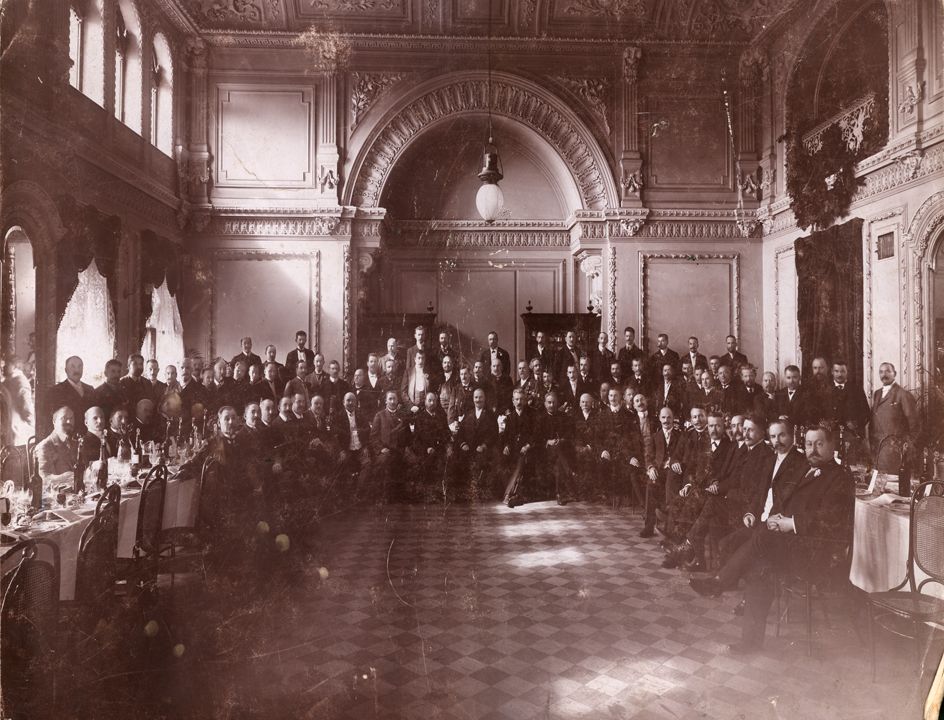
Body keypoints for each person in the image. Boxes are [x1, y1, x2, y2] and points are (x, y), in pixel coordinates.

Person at [690, 425, 853, 654]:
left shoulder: (840, 478)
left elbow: (832, 522)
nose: (813, 449)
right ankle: (750, 642)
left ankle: (720, 582)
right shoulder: (805, 469)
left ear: (832, 445)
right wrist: (778, 518)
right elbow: (785, 501)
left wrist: (791, 523)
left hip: (814, 552)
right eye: (808, 444)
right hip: (790, 545)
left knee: (762, 537)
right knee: (759, 566)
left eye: (819, 444)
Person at [869, 362, 920, 473]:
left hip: (895, 451)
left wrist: (907, 445)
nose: (884, 374)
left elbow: (914, 424)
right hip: (878, 449)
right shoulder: (877, 394)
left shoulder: (903, 394)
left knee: (894, 481)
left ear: (895, 373)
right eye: (881, 372)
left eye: (888, 371)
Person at [532, 391, 577, 505]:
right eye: (549, 402)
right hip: (545, 451)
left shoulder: (563, 417)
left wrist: (560, 440)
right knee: (558, 453)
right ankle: (569, 475)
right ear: (545, 404)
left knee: (558, 458)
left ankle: (559, 494)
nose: (551, 405)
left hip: (562, 449)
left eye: (553, 402)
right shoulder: (540, 418)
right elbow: (536, 438)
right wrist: (548, 441)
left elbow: (569, 434)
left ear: (557, 403)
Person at [643, 406, 681, 538]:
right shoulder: (655, 436)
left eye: (669, 417)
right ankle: (649, 526)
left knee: (671, 489)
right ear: (659, 419)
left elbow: (683, 454)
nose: (666, 420)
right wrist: (650, 468)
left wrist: (676, 462)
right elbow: (648, 456)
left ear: (673, 418)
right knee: (651, 485)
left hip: (674, 472)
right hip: (659, 471)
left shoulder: (680, 436)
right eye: (663, 417)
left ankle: (669, 528)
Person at [407, 391, 451, 500]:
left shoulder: (441, 416)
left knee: (445, 462)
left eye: (434, 401)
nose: (432, 403)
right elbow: (416, 440)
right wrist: (426, 449)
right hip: (425, 452)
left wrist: (448, 445)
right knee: (428, 465)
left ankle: (441, 493)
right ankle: (428, 494)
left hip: (440, 449)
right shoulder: (420, 418)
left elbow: (447, 433)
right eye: (429, 400)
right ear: (425, 402)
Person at [369, 390, 409, 502]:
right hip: (385, 450)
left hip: (400, 450)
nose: (392, 401)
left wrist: (406, 448)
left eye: (394, 399)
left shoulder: (403, 416)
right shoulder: (379, 415)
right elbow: (373, 437)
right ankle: (383, 496)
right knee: (384, 461)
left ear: (397, 400)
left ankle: (402, 495)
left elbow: (408, 436)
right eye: (390, 399)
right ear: (385, 401)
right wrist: (381, 448)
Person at [502, 387, 536, 507]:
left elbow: (535, 434)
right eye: (516, 399)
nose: (519, 402)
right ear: (513, 401)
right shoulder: (510, 417)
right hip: (514, 449)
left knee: (521, 460)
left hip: (529, 449)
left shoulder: (532, 415)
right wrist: (506, 446)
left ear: (525, 400)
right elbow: (506, 436)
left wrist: (527, 446)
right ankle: (514, 494)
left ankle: (508, 494)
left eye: (521, 399)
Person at [35, 407, 77, 492]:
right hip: (57, 496)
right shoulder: (44, 446)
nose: (69, 422)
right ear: (54, 421)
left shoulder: (74, 442)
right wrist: (67, 476)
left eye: (71, 418)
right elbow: (44, 479)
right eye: (64, 418)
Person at [50, 356, 95, 433]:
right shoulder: (56, 390)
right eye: (73, 366)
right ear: (66, 370)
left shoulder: (90, 389)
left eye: (80, 366)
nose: (77, 370)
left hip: (88, 435)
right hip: (68, 435)